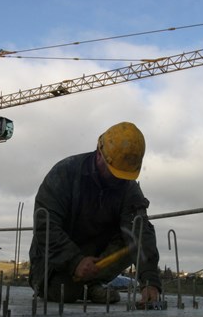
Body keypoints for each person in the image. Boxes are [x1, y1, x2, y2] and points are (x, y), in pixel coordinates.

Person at [28, 122, 161, 304]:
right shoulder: (64, 173)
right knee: (65, 291)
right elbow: (45, 225)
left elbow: (140, 232)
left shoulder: (127, 188)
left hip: (97, 263)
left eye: (124, 175)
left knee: (132, 238)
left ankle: (92, 284)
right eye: (115, 172)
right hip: (54, 261)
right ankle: (87, 288)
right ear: (100, 154)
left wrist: (150, 281)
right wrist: (75, 261)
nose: (119, 179)